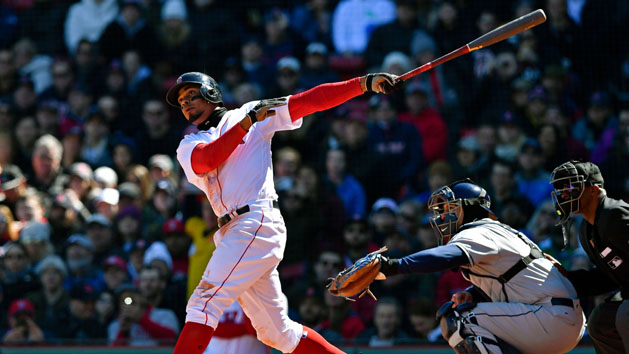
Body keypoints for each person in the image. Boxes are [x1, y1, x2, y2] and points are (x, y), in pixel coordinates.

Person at [166, 70, 401, 354]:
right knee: (278, 334)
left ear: (212, 93)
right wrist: (246, 124)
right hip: (234, 231)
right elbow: (207, 160)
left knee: (203, 303)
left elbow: (308, 101)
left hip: (255, 221)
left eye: (192, 94)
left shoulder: (251, 113)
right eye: (181, 101)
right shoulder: (189, 143)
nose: (186, 103)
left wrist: (362, 84)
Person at [352, 179, 586, 353]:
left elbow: (447, 256)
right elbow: (513, 279)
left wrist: (392, 265)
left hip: (551, 317)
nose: (442, 217)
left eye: (447, 209)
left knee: (459, 319)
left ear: (468, 208)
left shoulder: (479, 230)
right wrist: (475, 292)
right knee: (469, 311)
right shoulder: (496, 231)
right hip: (556, 316)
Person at [549, 160, 629, 354]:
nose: (563, 195)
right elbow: (608, 277)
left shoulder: (614, 214)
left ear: (594, 190)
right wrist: (564, 278)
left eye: (570, 188)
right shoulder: (587, 229)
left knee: (626, 314)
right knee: (601, 320)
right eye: (560, 190)